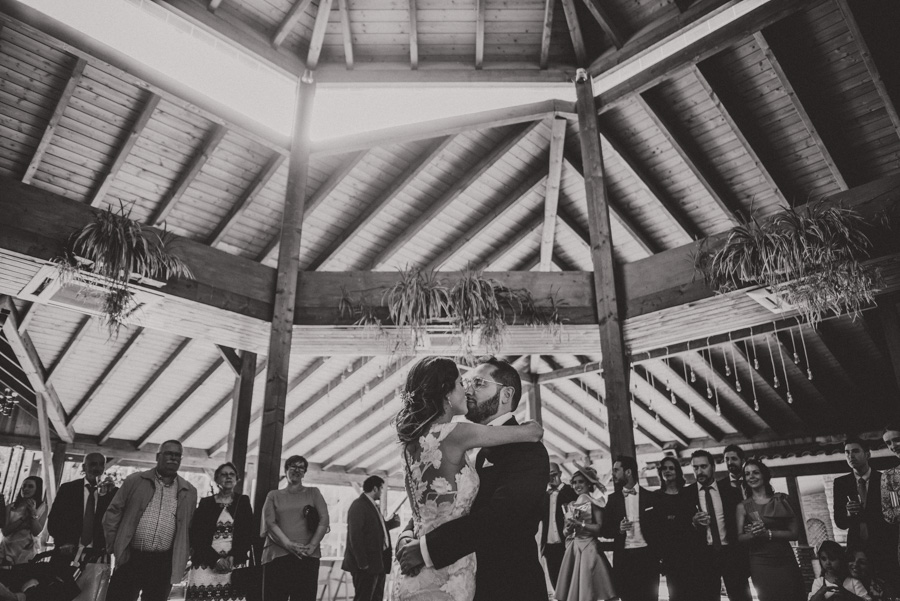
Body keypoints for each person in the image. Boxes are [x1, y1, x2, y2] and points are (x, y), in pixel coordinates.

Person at [394, 356, 547, 601]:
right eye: (465, 382)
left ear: (506, 395)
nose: (468, 389)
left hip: (507, 588)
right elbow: (436, 498)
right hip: (454, 582)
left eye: (479, 383)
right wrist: (408, 534)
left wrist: (426, 548)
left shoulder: (527, 451)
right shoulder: (461, 442)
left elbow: (502, 518)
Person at [103, 439, 198, 601]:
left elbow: (190, 528)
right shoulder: (135, 481)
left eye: (177, 455)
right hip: (131, 557)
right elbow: (112, 514)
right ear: (157, 456)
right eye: (169, 453)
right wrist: (116, 547)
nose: (173, 458)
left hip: (164, 563)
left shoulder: (189, 491)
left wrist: (182, 558)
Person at [683, 449, 751, 601]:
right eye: (695, 467)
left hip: (731, 553)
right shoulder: (685, 495)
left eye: (703, 466)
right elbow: (680, 530)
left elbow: (740, 522)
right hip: (703, 556)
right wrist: (693, 522)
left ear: (713, 467)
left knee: (741, 596)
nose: (699, 471)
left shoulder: (730, 491)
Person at [261, 454, 329, 601]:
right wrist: (289, 545)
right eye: (293, 466)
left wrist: (312, 546)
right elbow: (270, 524)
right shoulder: (273, 495)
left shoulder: (314, 492)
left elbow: (324, 520)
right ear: (286, 470)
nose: (297, 470)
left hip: (307, 555)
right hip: (278, 556)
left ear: (304, 472)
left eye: (301, 468)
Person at [735, 457, 804, 601]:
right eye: (747, 474)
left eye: (755, 472)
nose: (751, 477)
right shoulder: (743, 506)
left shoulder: (782, 499)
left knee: (793, 595)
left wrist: (769, 534)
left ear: (764, 475)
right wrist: (754, 534)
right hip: (760, 562)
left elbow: (794, 533)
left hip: (785, 559)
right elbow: (740, 537)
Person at [834, 436, 898, 584]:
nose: (851, 456)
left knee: (888, 585)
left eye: (855, 451)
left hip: (884, 545)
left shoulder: (885, 479)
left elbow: (894, 516)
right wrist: (849, 514)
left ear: (867, 454)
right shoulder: (841, 483)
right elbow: (840, 523)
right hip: (855, 548)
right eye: (847, 452)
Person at [186, 462, 253, 601]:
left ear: (237, 479)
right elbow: (196, 536)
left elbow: (247, 534)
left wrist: (233, 556)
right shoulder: (206, 503)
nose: (228, 477)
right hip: (205, 564)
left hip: (233, 565)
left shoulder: (243, 502)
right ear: (216, 479)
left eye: (232, 474)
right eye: (223, 474)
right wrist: (215, 560)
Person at [601, 455, 659, 601]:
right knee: (627, 597)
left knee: (650, 597)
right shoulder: (613, 500)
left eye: (616, 470)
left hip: (647, 557)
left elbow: (660, 529)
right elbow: (604, 530)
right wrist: (619, 529)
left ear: (628, 472)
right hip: (624, 558)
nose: (613, 474)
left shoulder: (651, 497)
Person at [554, 466, 615, 601]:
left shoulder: (595, 502)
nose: (577, 485)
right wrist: (569, 528)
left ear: (588, 483)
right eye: (574, 482)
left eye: (580, 482)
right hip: (573, 549)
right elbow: (565, 532)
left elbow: (599, 529)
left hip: (589, 548)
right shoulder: (570, 505)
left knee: (589, 588)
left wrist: (580, 524)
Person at [342, 475, 401, 601]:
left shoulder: (373, 506)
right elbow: (355, 535)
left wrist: (391, 524)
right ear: (375, 488)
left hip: (378, 562)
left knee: (376, 597)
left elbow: (373, 530)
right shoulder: (359, 505)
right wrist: (363, 563)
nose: (381, 492)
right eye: (381, 489)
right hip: (366, 564)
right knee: (364, 597)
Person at [47, 452, 117, 554]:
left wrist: (109, 494)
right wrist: (63, 542)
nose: (97, 468)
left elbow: (114, 522)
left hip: (97, 553)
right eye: (93, 464)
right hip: (67, 549)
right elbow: (54, 520)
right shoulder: (68, 489)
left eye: (101, 464)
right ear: (84, 467)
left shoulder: (112, 493)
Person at [647, 456, 695, 601]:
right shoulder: (655, 496)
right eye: (664, 468)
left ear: (678, 471)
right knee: (675, 593)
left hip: (691, 552)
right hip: (669, 554)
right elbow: (653, 527)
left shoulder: (688, 494)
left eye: (671, 468)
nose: (667, 471)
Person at [541, 461, 577, 588]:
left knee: (571, 585)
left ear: (560, 473)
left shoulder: (570, 492)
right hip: (549, 547)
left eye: (554, 474)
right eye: (548, 475)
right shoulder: (544, 496)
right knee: (557, 586)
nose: (551, 478)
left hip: (566, 545)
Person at [0, 477, 47, 564]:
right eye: (24, 486)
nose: (26, 489)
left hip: (26, 550)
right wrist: (23, 520)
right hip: (7, 548)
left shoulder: (42, 507)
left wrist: (33, 513)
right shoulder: (11, 507)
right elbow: (5, 532)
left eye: (30, 486)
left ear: (37, 489)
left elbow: (36, 532)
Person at [880, 424, 900, 588]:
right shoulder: (890, 477)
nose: (893, 446)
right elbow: (890, 514)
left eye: (897, 440)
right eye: (888, 443)